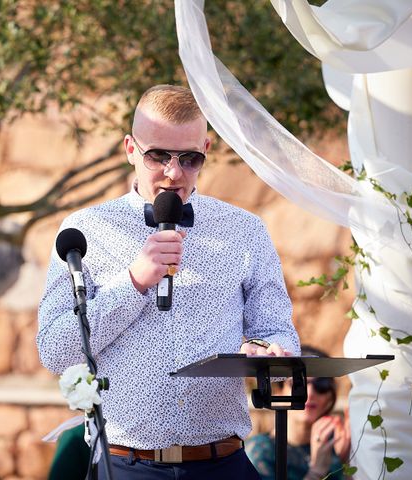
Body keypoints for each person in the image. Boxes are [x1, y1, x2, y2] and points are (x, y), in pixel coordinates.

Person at [37, 84, 300, 479]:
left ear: (206, 151)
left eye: (189, 158)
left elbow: (280, 333)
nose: (174, 172)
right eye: (158, 155)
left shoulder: (246, 231)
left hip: (223, 463)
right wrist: (133, 283)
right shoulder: (85, 230)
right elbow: (55, 350)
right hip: (125, 464)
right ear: (130, 149)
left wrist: (268, 353)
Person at [246, 347, 351, 480]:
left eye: (321, 385)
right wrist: (316, 472)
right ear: (278, 391)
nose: (310, 392)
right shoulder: (260, 450)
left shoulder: (335, 447)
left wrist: (346, 461)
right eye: (298, 384)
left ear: (330, 396)